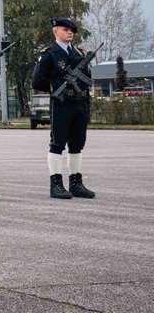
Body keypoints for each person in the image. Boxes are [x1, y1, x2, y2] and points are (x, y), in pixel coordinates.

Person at [32, 17, 95, 200]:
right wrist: (57, 87)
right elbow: (37, 81)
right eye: (66, 29)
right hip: (62, 103)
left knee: (77, 144)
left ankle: (76, 183)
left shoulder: (79, 53)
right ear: (55, 31)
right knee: (58, 143)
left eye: (72, 30)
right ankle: (56, 184)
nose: (70, 32)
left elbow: (87, 80)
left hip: (80, 102)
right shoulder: (49, 54)